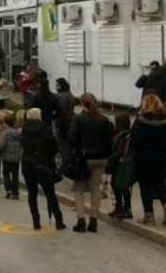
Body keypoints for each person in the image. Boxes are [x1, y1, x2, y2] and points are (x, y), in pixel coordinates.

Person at [68, 93, 113, 233]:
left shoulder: (79, 118)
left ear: (82, 104)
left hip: (84, 159)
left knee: (79, 190)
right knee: (95, 189)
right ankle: (94, 220)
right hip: (100, 159)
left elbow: (72, 138)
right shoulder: (104, 119)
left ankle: (81, 220)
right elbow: (109, 141)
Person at [132, 94, 166, 226]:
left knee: (145, 185)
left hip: (144, 156)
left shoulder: (140, 121)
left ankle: (149, 216)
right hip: (163, 156)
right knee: (160, 183)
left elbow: (135, 140)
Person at [20, 108, 65, 230]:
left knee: (32, 193)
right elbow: (53, 146)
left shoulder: (24, 129)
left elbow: (23, 143)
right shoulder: (46, 129)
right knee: (50, 193)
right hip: (43, 164)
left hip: (27, 163)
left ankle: (36, 221)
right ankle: (59, 221)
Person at [106, 112, 134, 220]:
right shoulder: (121, 134)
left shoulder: (123, 135)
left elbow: (119, 151)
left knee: (122, 186)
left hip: (121, 164)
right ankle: (120, 207)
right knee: (116, 184)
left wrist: (109, 160)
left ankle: (126, 209)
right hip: (120, 164)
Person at [0, 111, 23, 199]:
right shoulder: (19, 132)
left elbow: (1, 145)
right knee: (15, 174)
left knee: (6, 173)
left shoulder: (6, 133)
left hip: (7, 156)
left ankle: (9, 189)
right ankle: (16, 192)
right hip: (17, 157)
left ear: (6, 123)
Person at [54, 78, 77, 147]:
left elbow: (60, 109)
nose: (56, 87)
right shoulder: (70, 94)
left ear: (61, 86)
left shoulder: (61, 96)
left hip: (62, 121)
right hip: (70, 120)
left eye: (57, 85)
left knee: (61, 141)